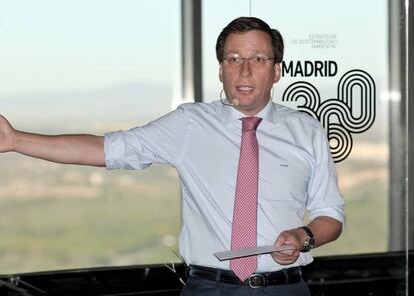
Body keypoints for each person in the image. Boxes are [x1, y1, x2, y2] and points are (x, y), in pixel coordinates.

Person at [0, 17, 344, 296]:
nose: (245, 70)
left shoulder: (306, 131)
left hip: (286, 289)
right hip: (209, 288)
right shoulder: (191, 124)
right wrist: (16, 140)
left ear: (277, 71)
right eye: (233, 59)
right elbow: (108, 149)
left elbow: (330, 215)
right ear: (221, 70)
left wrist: (304, 237)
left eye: (258, 59)